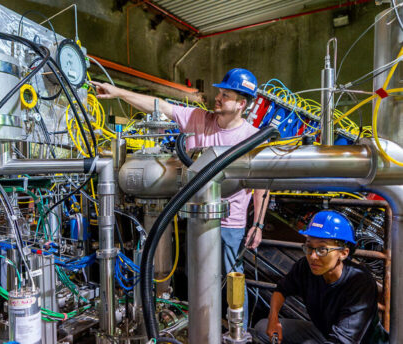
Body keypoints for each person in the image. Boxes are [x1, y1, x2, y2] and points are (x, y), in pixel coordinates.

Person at [93, 68, 269, 325]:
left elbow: (261, 185)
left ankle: (235, 331)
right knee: (196, 276)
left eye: (226, 95)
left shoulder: (251, 137)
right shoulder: (200, 119)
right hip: (194, 217)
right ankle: (201, 328)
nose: (217, 98)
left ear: (241, 104)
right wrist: (117, 91)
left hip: (229, 224)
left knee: (231, 277)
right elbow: (161, 106)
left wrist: (258, 224)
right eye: (219, 92)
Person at [254, 210, 388, 344]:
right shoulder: (305, 267)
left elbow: (342, 341)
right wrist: (273, 319)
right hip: (325, 333)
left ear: (343, 253)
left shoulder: (359, 283)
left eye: (322, 249)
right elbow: (281, 290)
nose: (313, 256)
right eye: (309, 247)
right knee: (262, 326)